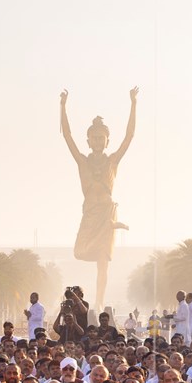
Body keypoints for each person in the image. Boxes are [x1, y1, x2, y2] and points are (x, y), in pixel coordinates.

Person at [59, 87, 137, 310]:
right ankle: (112, 227)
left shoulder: (112, 161)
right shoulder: (82, 161)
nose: (97, 141)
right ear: (88, 140)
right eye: (94, 138)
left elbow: (129, 136)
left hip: (106, 211)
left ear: (107, 140)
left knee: (103, 262)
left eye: (101, 137)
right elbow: (67, 136)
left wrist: (133, 104)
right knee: (79, 251)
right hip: (90, 213)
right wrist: (63, 107)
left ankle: (100, 301)